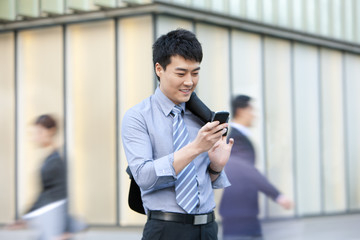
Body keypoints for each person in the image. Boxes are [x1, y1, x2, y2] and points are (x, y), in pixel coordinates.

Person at [121, 29, 234, 240]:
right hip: (166, 230)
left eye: (195, 73)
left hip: (207, 228)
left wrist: (216, 167)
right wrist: (195, 148)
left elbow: (199, 179)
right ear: (159, 69)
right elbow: (144, 176)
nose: (189, 82)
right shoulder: (138, 117)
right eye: (181, 73)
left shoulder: (203, 117)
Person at [219, 95, 293, 240]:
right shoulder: (236, 139)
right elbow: (248, 170)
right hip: (239, 215)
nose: (254, 115)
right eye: (251, 110)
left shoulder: (238, 137)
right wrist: (277, 195)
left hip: (243, 214)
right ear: (241, 111)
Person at [6, 114, 86, 240]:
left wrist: (65, 228)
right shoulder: (50, 158)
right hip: (47, 219)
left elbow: (61, 194)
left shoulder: (57, 161)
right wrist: (26, 216)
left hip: (53, 221)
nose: (35, 137)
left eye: (39, 132)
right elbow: (44, 192)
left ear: (50, 131)